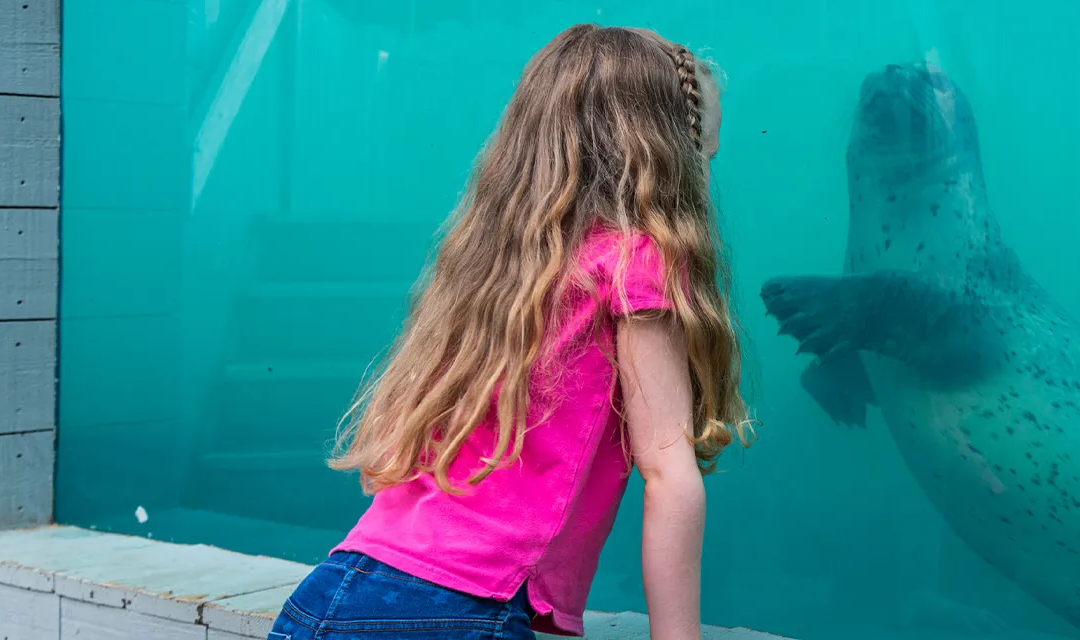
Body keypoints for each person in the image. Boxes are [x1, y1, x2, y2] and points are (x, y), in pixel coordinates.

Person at [267, 23, 751, 640]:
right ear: (660, 154)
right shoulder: (635, 261)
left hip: (331, 593)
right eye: (702, 156)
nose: (705, 178)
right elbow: (668, 472)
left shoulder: (501, 269)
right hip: (459, 609)